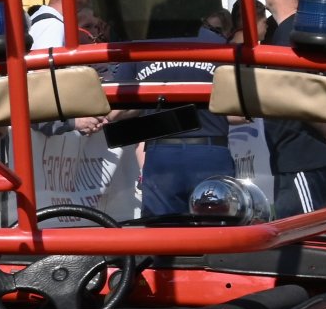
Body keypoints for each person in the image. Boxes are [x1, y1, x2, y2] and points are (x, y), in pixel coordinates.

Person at [98, 19, 234, 217]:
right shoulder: (219, 44)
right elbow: (240, 111)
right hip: (211, 150)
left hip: (163, 154)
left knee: (165, 236)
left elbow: (116, 109)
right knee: (217, 235)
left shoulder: (139, 46)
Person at [259, 0, 326, 216]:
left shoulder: (289, 37)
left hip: (303, 156)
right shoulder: (312, 32)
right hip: (316, 156)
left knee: (302, 241)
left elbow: (295, 93)